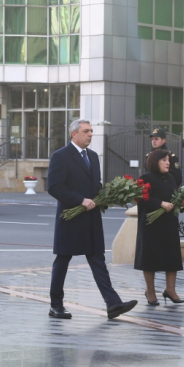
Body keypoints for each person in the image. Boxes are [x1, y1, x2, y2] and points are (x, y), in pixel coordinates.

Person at [47, 118, 138, 320]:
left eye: (91, 132)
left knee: (98, 260)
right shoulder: (61, 156)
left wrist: (107, 196)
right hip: (70, 219)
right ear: (74, 134)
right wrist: (80, 200)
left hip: (91, 218)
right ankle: (56, 305)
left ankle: (113, 304)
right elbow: (54, 187)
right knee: (62, 261)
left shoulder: (94, 156)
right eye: (86, 131)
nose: (90, 135)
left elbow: (94, 184)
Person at [134, 149, 184, 305]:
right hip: (151, 225)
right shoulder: (146, 178)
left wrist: (181, 204)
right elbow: (141, 199)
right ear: (154, 162)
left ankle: (170, 290)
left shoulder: (170, 178)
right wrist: (160, 204)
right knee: (150, 258)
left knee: (172, 257)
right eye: (164, 160)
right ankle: (150, 291)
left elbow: (174, 198)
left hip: (169, 223)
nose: (168, 163)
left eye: (168, 160)